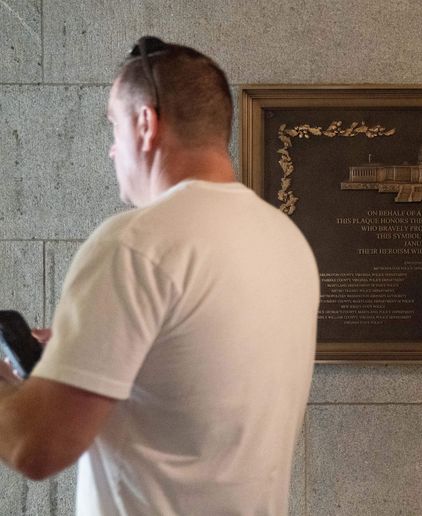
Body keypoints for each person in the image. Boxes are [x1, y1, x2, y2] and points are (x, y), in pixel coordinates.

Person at [0, 37, 320, 515]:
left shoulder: (133, 244)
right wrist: (80, 357)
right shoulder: (288, 241)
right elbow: (190, 376)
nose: (111, 150)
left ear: (146, 123)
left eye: (113, 126)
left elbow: (36, 447)